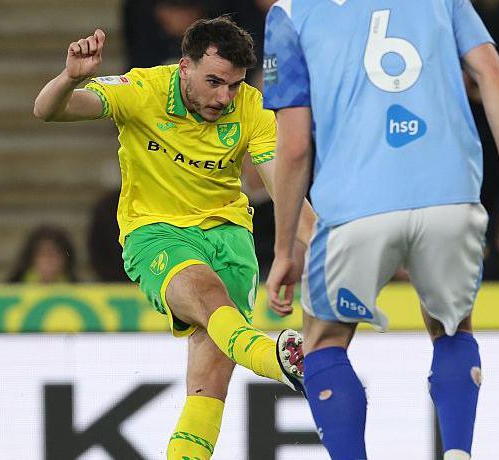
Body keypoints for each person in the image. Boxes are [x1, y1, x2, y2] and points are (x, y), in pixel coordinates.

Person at [262, 1, 499, 459]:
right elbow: (496, 79)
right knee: (452, 330)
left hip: (355, 206)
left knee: (325, 341)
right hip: (449, 194)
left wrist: (285, 248)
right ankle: (457, 452)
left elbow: (292, 147)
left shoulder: (289, 13)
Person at [32, 17, 316, 459]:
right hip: (156, 233)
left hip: (229, 237)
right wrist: (70, 79)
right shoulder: (142, 90)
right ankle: (273, 356)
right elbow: (48, 110)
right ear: (185, 66)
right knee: (207, 294)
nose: (224, 97)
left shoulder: (253, 108)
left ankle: (268, 363)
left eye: (234, 86)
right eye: (215, 82)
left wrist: (321, 249)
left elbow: (286, 191)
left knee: (207, 392)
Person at [7, 225, 78, 283]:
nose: (49, 261)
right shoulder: (11, 290)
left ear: (65, 260)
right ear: (32, 258)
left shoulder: (79, 289)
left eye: (54, 255)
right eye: (44, 254)